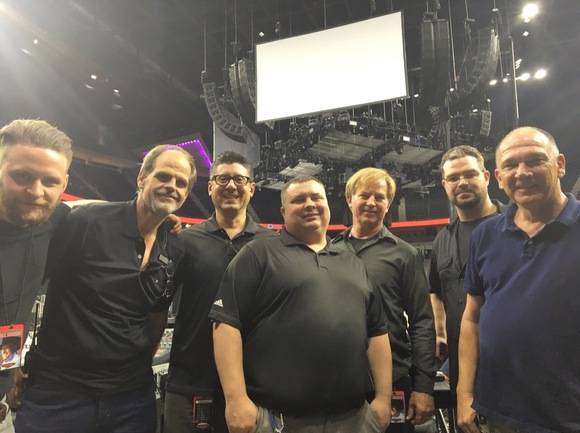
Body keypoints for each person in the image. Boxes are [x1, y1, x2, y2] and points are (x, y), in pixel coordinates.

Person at [16, 144, 197, 433]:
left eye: (180, 183)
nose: (171, 186)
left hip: (132, 399)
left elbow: (157, 314)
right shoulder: (87, 222)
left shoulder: (175, 247)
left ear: (186, 194)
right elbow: (24, 287)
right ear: (142, 179)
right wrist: (11, 364)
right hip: (60, 394)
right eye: (163, 176)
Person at [209, 175, 392, 433]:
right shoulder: (257, 254)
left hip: (355, 418)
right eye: (299, 200)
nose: (310, 204)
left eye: (317, 198)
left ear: (328, 205)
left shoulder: (353, 262)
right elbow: (226, 323)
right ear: (283, 212)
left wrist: (384, 398)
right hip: (280, 419)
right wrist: (236, 399)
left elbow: (377, 332)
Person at [457, 127, 580, 433]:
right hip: (498, 414)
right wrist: (464, 393)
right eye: (511, 165)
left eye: (536, 160)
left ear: (560, 165)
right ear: (499, 178)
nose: (522, 173)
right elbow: (472, 318)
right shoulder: (485, 235)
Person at [164, 151, 276, 433]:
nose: (231, 186)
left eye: (239, 179)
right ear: (210, 187)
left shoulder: (272, 245)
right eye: (222, 178)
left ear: (251, 188)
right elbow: (156, 303)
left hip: (256, 386)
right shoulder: (184, 240)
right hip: (189, 383)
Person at [333, 167, 436, 432]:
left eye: (379, 197)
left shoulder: (405, 255)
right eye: (364, 195)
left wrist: (423, 386)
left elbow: (422, 321)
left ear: (388, 204)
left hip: (393, 380)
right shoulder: (329, 251)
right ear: (349, 199)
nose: (371, 203)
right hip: (336, 380)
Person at [0, 119, 72, 430]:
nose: (36, 191)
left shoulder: (55, 221)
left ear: (64, 184)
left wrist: (161, 221)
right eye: (22, 176)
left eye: (50, 181)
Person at [428, 145, 504, 403]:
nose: (462, 182)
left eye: (470, 174)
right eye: (453, 178)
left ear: (486, 177)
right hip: (462, 366)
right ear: (444, 184)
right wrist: (440, 331)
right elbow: (436, 291)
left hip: (509, 362)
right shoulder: (442, 240)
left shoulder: (516, 226)